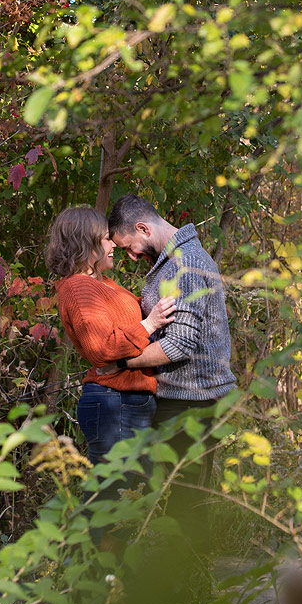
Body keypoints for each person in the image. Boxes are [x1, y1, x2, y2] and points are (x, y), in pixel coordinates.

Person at [106, 194, 236, 522]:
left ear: (142, 229)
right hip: (177, 396)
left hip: (194, 400)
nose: (131, 257)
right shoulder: (170, 263)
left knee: (186, 499)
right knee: (171, 493)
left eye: (128, 247)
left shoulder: (185, 265)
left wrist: (119, 362)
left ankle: (191, 570)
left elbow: (178, 346)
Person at [45, 204, 176, 490]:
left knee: (128, 498)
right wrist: (149, 324)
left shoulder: (105, 283)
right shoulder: (79, 287)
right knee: (111, 498)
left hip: (129, 401)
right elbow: (101, 348)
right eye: (105, 239)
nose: (113, 244)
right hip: (113, 401)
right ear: (85, 244)